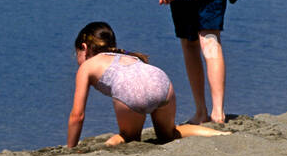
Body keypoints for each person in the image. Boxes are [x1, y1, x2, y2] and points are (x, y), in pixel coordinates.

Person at [67, 22, 229, 147]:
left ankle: (108, 145)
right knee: (169, 134)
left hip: (129, 91)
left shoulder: (86, 67)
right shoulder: (128, 55)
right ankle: (221, 135)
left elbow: (77, 116)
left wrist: (70, 148)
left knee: (129, 138)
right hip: (161, 82)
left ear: (84, 48)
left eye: (77, 54)